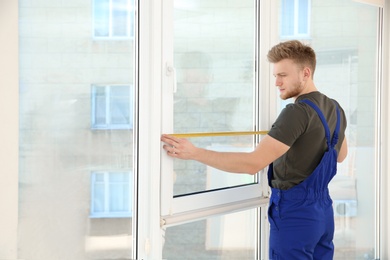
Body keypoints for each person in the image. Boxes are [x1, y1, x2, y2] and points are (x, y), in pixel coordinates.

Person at [161, 40, 348, 260]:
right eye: (275, 75)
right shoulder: (335, 107)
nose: (277, 82)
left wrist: (195, 152)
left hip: (295, 215)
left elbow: (252, 164)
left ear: (305, 73)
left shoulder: (296, 113)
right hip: (323, 213)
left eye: (283, 75)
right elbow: (341, 155)